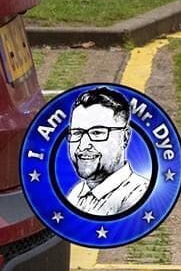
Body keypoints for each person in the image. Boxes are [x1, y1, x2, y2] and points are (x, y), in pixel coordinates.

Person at [63, 88, 149, 216]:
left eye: (97, 133)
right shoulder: (75, 195)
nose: (83, 145)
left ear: (124, 137)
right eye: (77, 133)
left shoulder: (138, 195)